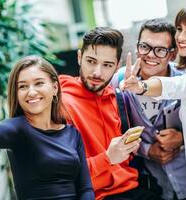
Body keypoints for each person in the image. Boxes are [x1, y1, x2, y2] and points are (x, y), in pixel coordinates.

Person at [0, 56, 94, 200]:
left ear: (54, 87)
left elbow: (85, 188)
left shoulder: (72, 133)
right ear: (17, 93)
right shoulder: (17, 129)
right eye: (23, 86)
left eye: (39, 83)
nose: (31, 92)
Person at [120, 4, 186, 200]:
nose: (182, 37)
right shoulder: (118, 82)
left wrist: (142, 87)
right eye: (180, 29)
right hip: (163, 184)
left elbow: (181, 85)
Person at [60, 27, 160, 200]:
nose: (97, 72)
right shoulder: (61, 104)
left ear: (117, 66)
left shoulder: (117, 98)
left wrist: (128, 150)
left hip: (134, 189)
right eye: (91, 61)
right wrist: (107, 158)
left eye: (107, 65)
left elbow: (124, 159)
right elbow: (62, 174)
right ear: (79, 57)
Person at [111, 19, 186, 200]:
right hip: (152, 187)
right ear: (138, 47)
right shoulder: (118, 82)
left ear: (172, 54)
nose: (151, 55)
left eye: (161, 50)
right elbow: (110, 133)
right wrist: (147, 150)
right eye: (145, 47)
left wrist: (183, 138)